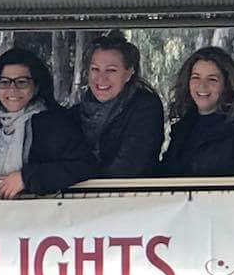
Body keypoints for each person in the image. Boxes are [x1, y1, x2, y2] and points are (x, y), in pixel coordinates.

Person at [0, 47, 95, 198]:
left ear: (36, 86)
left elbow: (84, 166)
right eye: (4, 82)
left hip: (43, 213)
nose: (12, 89)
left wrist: (27, 178)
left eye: (21, 82)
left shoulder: (55, 124)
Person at [160, 46, 234, 176]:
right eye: (196, 77)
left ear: (227, 85)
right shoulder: (183, 129)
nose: (202, 85)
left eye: (212, 79)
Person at [70, 35, 164, 176]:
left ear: (129, 73)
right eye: (95, 69)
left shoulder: (145, 108)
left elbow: (129, 166)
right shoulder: (75, 113)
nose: (101, 78)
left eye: (111, 70)